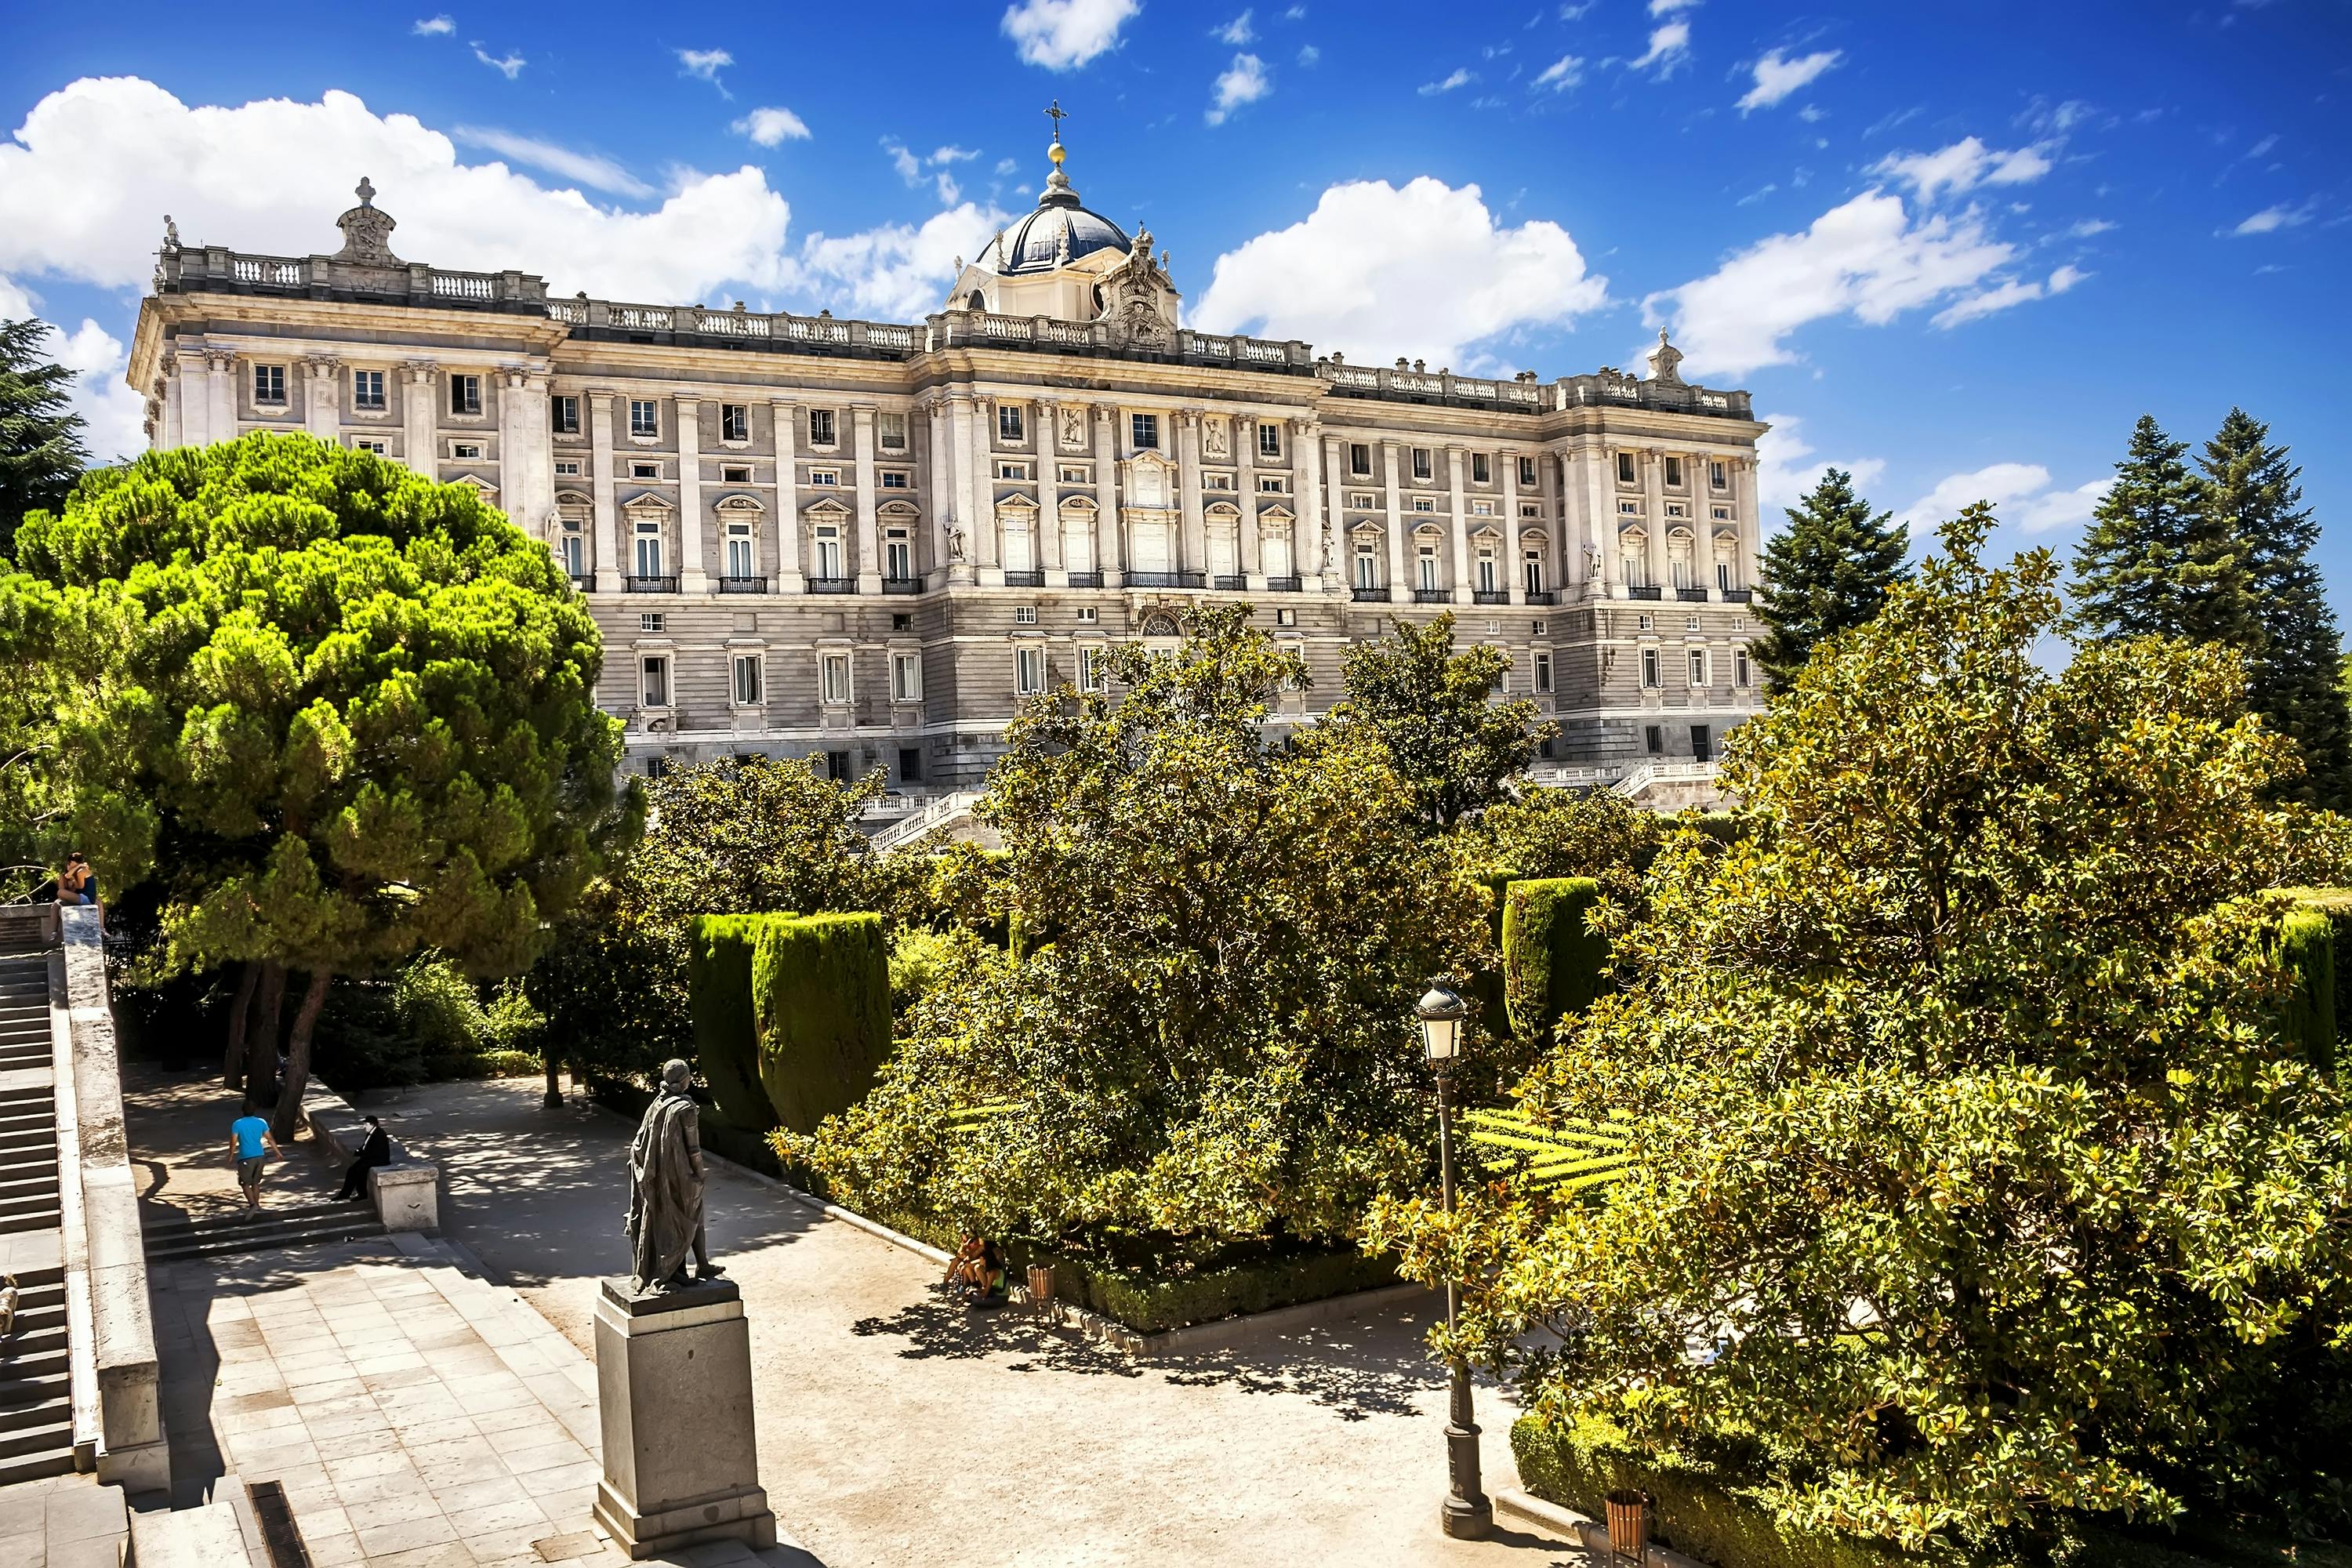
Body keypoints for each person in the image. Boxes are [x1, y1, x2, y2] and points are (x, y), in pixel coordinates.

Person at [336, 1115, 392, 1202]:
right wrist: (359, 1151)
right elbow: (365, 1147)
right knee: (352, 1169)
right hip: (370, 1158)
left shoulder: (379, 1134)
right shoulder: (370, 1134)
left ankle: (362, 1194)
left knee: (359, 1170)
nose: (364, 1126)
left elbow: (377, 1151)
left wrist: (363, 1155)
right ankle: (345, 1194)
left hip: (379, 1160)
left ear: (372, 1125)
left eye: (366, 1124)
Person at [230, 1109, 278, 1210]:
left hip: (246, 1157)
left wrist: (231, 1155)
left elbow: (233, 1142)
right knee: (256, 1183)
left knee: (245, 1183)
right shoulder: (261, 1122)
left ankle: (253, 1205)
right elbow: (270, 1139)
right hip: (260, 1156)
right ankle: (257, 1204)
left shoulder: (237, 1124)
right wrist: (278, 1153)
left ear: (243, 1111)